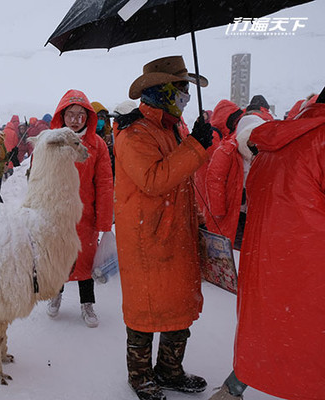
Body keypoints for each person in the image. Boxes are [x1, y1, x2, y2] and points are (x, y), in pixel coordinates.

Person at [210, 87, 325, 400]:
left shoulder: (277, 141)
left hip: (270, 261)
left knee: (270, 330)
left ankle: (233, 387)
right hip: (309, 266)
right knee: (307, 342)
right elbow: (215, 180)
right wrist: (219, 213)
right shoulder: (319, 140)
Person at [113, 55, 213, 400]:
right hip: (146, 237)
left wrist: (197, 222)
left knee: (178, 305)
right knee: (146, 308)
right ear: (162, 91)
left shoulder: (172, 128)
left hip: (175, 234)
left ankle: (170, 370)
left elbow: (181, 182)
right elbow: (154, 180)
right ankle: (139, 375)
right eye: (180, 88)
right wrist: (196, 145)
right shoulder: (134, 132)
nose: (185, 94)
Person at [45, 89, 113, 328]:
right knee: (59, 259)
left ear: (88, 117)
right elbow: (38, 178)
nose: (75, 119)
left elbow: (104, 183)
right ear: (62, 116)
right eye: (70, 114)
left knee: (86, 262)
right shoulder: (50, 142)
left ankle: (87, 303)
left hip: (86, 215)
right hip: (58, 215)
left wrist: (104, 221)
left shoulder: (97, 145)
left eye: (80, 115)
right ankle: (56, 294)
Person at [205, 95, 274, 248]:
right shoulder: (227, 150)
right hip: (233, 209)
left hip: (250, 211)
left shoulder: (261, 153)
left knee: (247, 245)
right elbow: (215, 179)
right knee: (234, 244)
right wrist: (218, 210)